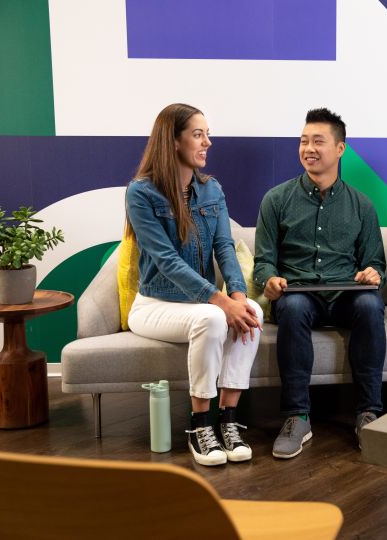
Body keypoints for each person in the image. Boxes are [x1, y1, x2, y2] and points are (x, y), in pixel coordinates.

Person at [124, 103, 262, 466]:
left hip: (201, 303)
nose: (208, 143)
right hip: (155, 305)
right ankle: (200, 425)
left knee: (254, 311)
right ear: (173, 141)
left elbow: (225, 248)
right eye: (198, 134)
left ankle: (228, 420)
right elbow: (166, 261)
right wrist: (219, 301)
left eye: (207, 134)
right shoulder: (141, 193)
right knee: (213, 318)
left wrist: (237, 295)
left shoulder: (211, 189)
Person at [253, 107, 386, 459]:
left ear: (340, 149)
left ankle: (369, 413)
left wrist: (372, 274)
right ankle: (297, 417)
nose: (308, 148)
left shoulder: (362, 205)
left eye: (318, 141)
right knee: (293, 307)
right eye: (303, 141)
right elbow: (263, 261)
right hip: (298, 293)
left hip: (346, 294)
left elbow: (376, 263)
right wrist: (269, 280)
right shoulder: (276, 200)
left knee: (371, 304)